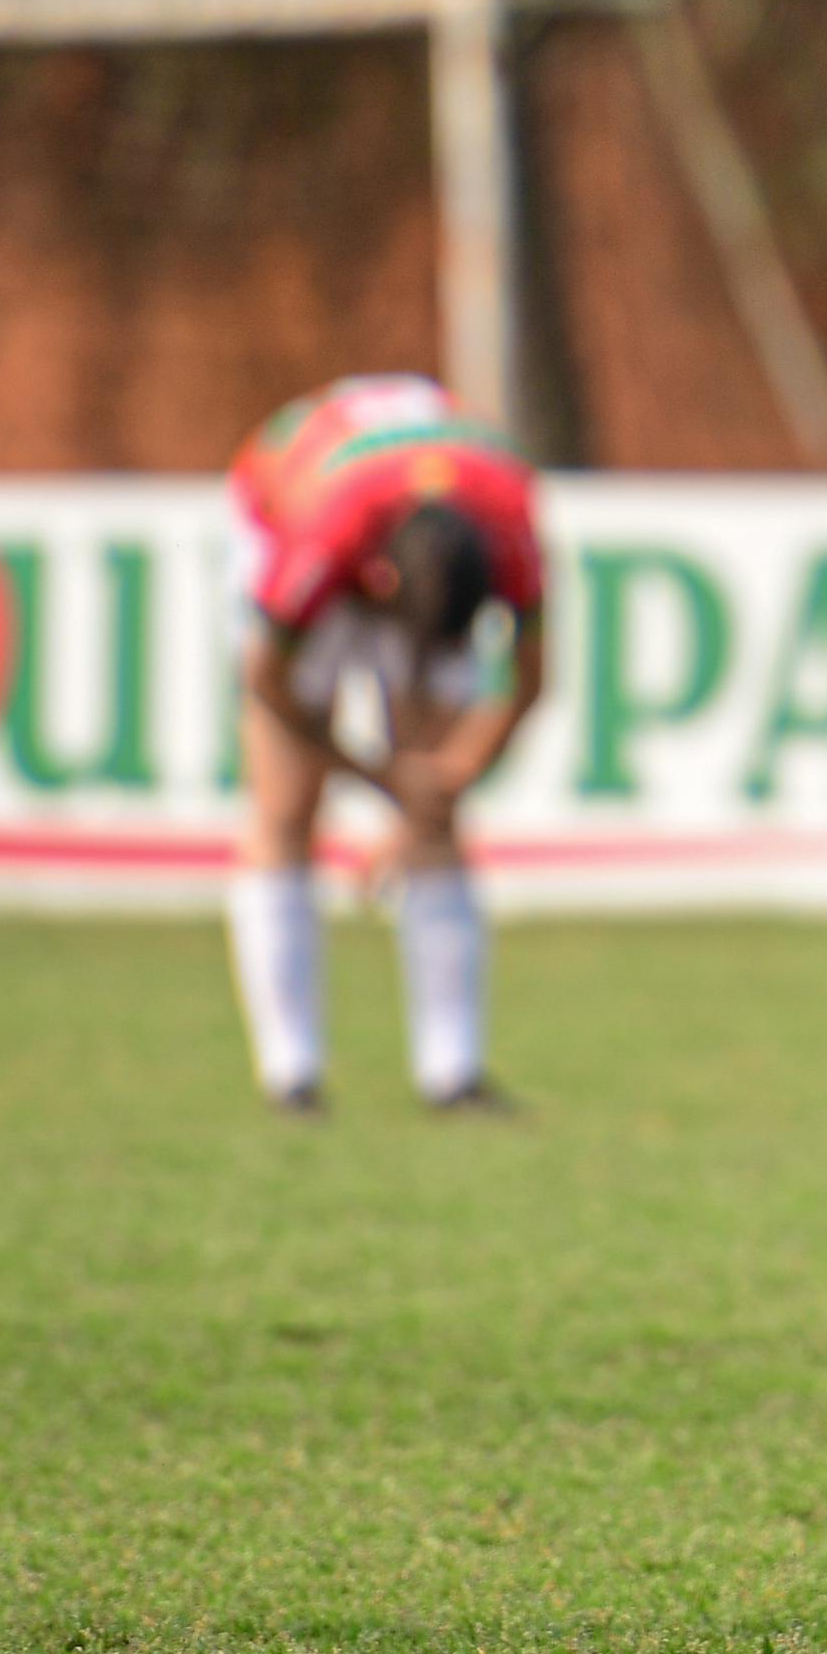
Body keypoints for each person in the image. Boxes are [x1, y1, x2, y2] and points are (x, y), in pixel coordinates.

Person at [223, 373, 546, 1115]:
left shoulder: (512, 523)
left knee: (438, 808)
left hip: (407, 492)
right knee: (286, 798)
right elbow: (268, 678)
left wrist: (432, 791)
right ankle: (290, 1072)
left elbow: (531, 683)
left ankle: (452, 1072)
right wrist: (378, 777)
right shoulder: (327, 530)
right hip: (282, 498)